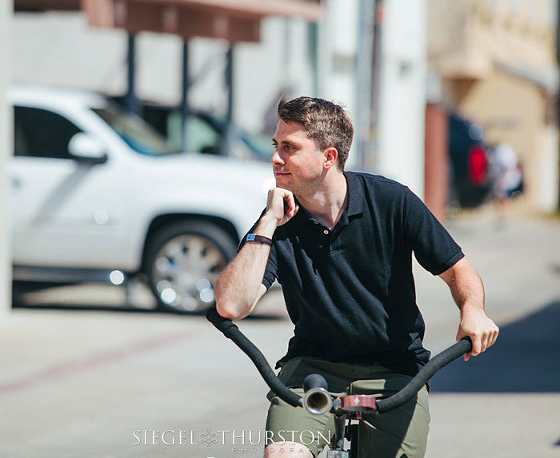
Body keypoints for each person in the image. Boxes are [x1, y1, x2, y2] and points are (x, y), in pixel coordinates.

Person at [214, 97, 499, 458]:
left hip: (395, 373)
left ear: (328, 158)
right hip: (313, 370)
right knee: (283, 454)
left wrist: (473, 310)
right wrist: (268, 222)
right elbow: (231, 305)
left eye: (289, 148)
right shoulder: (277, 220)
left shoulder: (391, 201)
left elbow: (457, 269)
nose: (275, 157)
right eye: (276, 146)